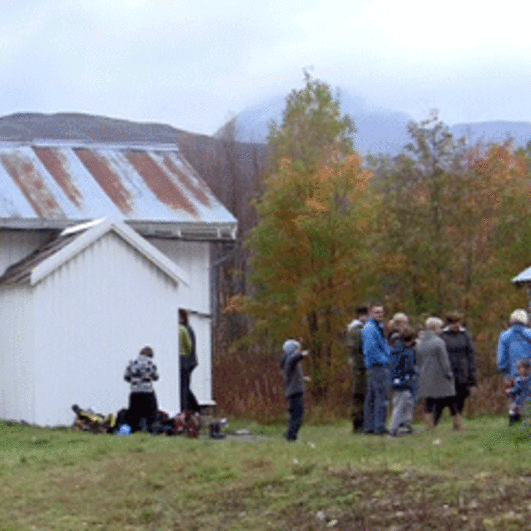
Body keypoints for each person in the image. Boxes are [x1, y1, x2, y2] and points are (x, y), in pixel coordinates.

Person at [416, 317, 458, 429]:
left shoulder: (419, 342)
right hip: (441, 377)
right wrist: (449, 374)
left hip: (425, 376)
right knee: (451, 401)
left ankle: (430, 426)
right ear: (435, 328)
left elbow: (418, 361)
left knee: (428, 403)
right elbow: (444, 361)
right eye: (440, 327)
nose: (442, 330)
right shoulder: (439, 342)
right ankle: (457, 424)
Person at [439, 312, 477, 425]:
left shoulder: (466, 335)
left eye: (457, 322)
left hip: (463, 370)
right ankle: (456, 421)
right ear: (448, 323)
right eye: (453, 322)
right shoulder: (443, 336)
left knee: (462, 396)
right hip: (448, 371)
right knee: (450, 397)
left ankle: (458, 418)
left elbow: (471, 354)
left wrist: (472, 372)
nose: (455, 325)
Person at [362, 304, 391, 435]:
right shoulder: (370, 328)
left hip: (376, 365)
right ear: (370, 313)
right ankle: (379, 427)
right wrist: (386, 360)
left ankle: (370, 426)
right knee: (381, 396)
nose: (379, 315)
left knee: (373, 396)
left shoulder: (378, 327)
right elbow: (371, 350)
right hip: (377, 366)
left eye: (381, 312)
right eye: (376, 312)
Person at [498, 309, 531, 425]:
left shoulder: (505, 336)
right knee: (528, 395)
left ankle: (514, 420)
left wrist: (504, 372)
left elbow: (502, 357)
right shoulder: (529, 334)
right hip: (528, 370)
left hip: (512, 372)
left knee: (513, 396)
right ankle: (527, 421)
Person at [388, 327, 417, 436]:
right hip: (401, 380)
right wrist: (398, 379)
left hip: (409, 380)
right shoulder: (398, 350)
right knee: (400, 405)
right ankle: (393, 428)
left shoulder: (409, 349)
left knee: (408, 403)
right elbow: (396, 367)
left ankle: (405, 426)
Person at [124, 346, 159, 432]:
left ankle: (134, 430)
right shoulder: (151, 363)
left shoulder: (132, 362)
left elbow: (126, 377)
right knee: (152, 413)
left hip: (135, 392)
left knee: (134, 414)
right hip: (147, 392)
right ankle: (151, 429)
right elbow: (156, 377)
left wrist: (135, 381)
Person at [280, 339, 310, 441]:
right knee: (297, 417)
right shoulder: (289, 361)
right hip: (294, 392)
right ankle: (290, 437)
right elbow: (293, 359)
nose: (298, 351)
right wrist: (302, 355)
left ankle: (289, 435)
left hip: (294, 392)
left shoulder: (289, 363)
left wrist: (303, 378)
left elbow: (292, 375)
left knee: (295, 416)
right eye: (297, 349)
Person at [346, 306, 369, 432]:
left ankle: (359, 423)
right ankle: (359, 424)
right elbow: (361, 349)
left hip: (357, 367)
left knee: (359, 396)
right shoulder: (358, 330)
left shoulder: (353, 329)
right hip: (360, 368)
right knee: (360, 396)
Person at [179, 309, 199, 412]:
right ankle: (194, 408)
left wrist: (187, 359)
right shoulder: (187, 329)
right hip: (189, 361)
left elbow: (189, 347)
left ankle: (193, 407)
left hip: (188, 361)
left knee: (184, 386)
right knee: (185, 386)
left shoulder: (185, 329)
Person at [505, 358, 531, 425]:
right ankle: (517, 421)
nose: (518, 370)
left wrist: (510, 390)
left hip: (520, 397)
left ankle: (513, 422)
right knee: (517, 409)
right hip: (520, 397)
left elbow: (518, 388)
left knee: (514, 409)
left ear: (526, 369)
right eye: (518, 368)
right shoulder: (520, 378)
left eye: (521, 368)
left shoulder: (522, 379)